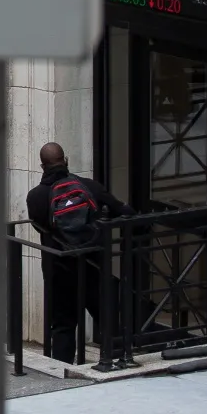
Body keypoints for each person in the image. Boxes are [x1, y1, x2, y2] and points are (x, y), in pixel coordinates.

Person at [25, 141, 129, 364]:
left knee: (63, 324)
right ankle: (116, 360)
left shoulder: (35, 197)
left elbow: (39, 224)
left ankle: (62, 370)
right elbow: (122, 210)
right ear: (66, 160)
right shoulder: (90, 186)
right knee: (106, 315)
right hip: (93, 264)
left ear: (42, 166)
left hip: (58, 269)